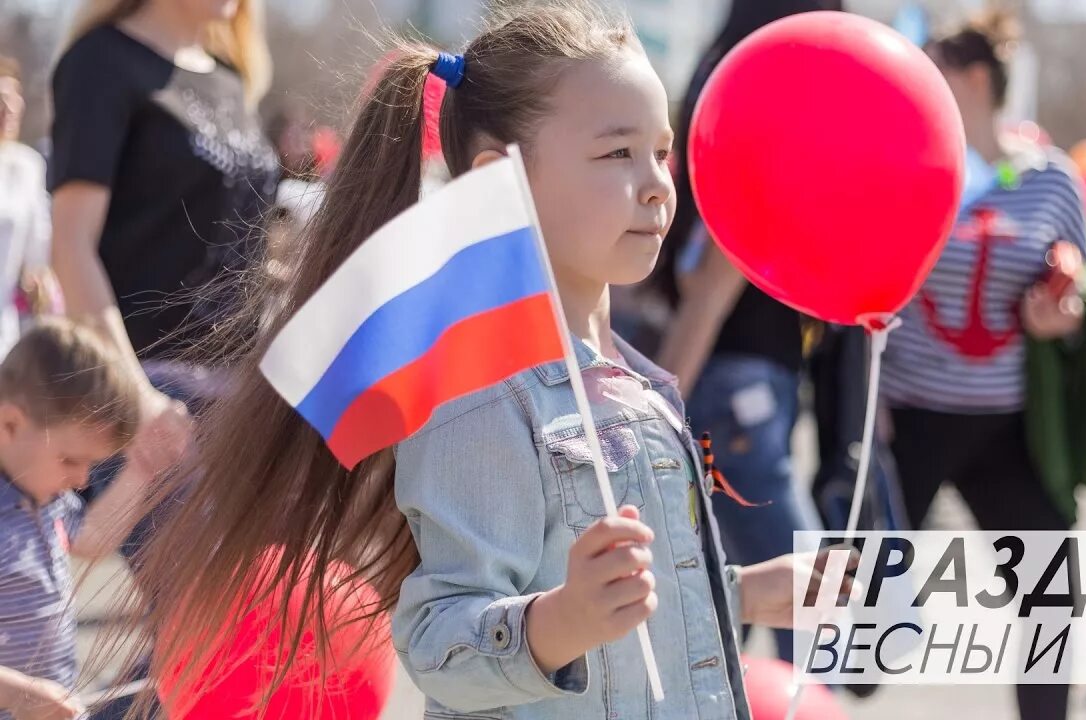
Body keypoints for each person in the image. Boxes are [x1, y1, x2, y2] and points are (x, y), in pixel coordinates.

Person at [103, 3, 847, 719]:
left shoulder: (643, 385)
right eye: (617, 152)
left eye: (661, 151)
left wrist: (738, 592)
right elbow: (435, 639)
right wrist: (559, 622)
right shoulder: (482, 391)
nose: (657, 183)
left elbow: (625, 595)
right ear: (502, 178)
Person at [878, 11, 1086, 720]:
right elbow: (870, 286)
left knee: (1050, 594)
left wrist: (1063, 317)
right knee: (859, 613)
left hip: (1009, 426)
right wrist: (865, 399)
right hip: (911, 417)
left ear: (972, 79)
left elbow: (1084, 295)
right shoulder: (907, 170)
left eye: (930, 66)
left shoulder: (1053, 182)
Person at [648, 0, 839, 664]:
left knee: (743, 596)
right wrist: (664, 396)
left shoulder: (726, 72)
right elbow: (715, 279)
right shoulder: (773, 89)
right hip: (737, 381)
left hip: (745, 377)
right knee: (813, 600)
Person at [48, 0, 277, 446]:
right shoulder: (100, 61)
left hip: (237, 399)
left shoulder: (231, 79)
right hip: (144, 395)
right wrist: (137, 398)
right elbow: (71, 245)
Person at [0, 320, 173, 720]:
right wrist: (20, 695)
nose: (81, 479)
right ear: (9, 424)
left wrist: (141, 472)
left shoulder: (44, 498)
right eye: (70, 460)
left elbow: (91, 537)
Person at [0, 57, 58, 356]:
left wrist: (40, 279)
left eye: (13, 97)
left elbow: (40, 249)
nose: (8, 108)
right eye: (0, 98)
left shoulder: (27, 166)